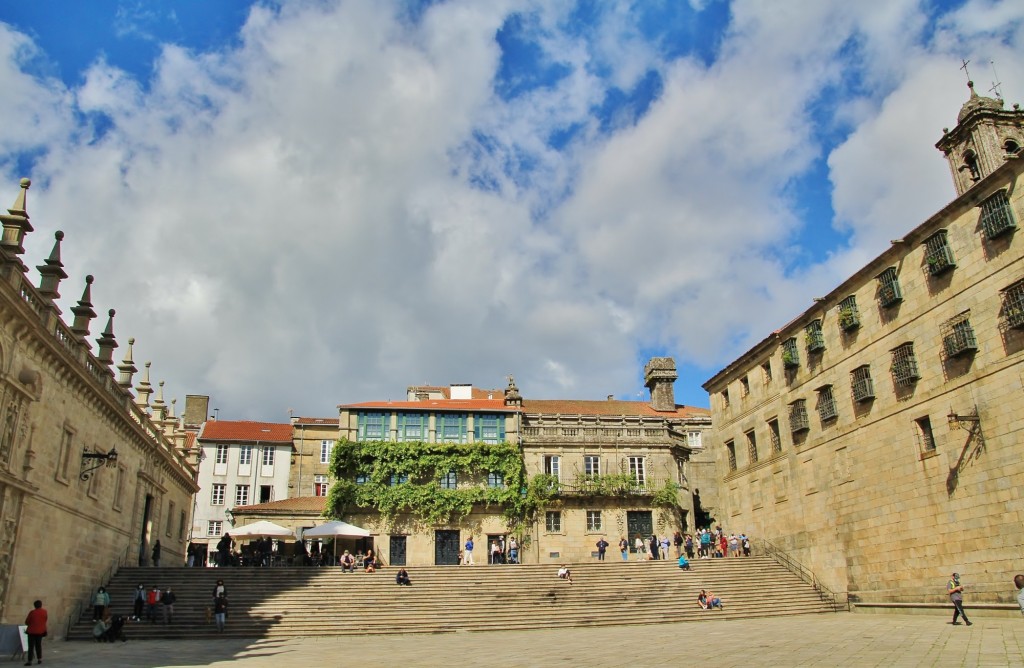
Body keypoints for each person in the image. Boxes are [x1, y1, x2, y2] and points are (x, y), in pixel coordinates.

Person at [24, 599, 47, 666]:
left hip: (32, 631)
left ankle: (29, 660)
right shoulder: (44, 612)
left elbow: (27, 621)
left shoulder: (32, 612)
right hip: (40, 631)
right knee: (38, 645)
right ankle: (39, 659)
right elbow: (45, 620)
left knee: (31, 646)